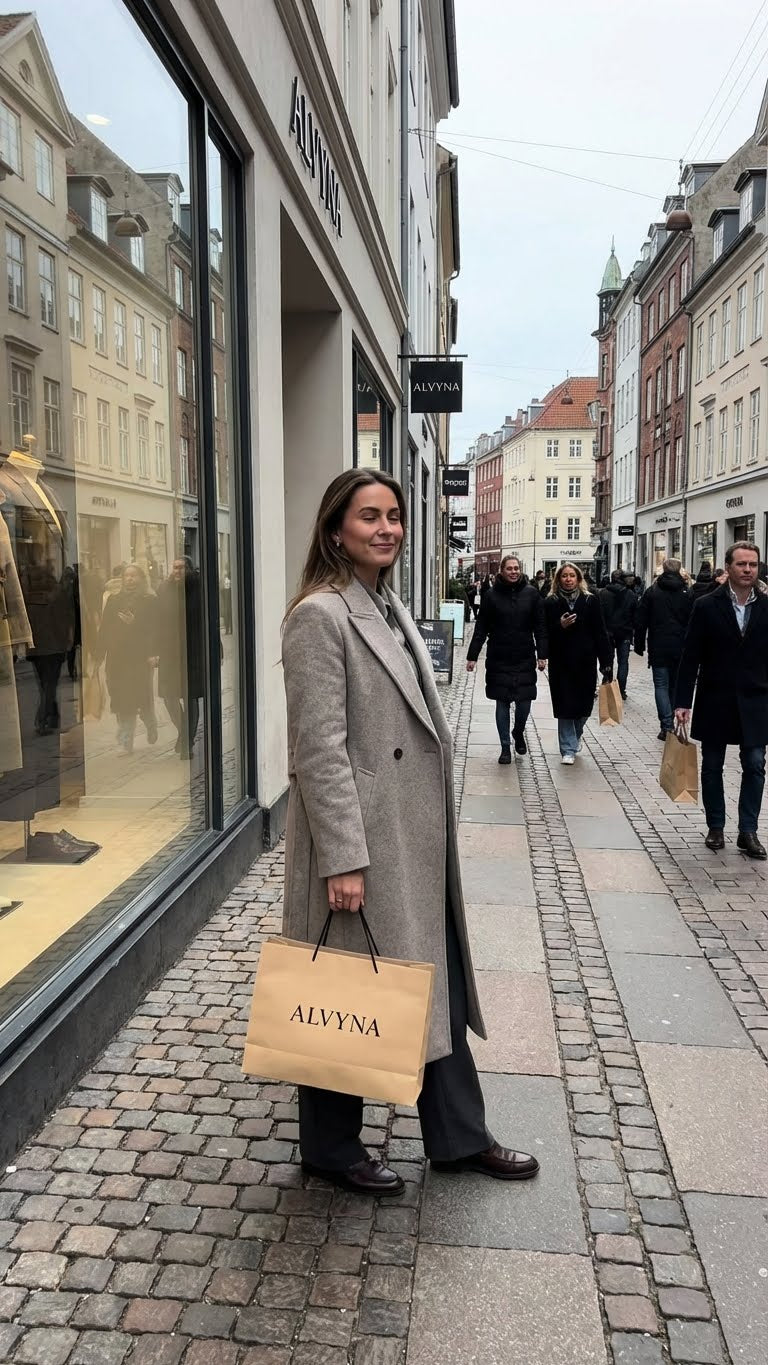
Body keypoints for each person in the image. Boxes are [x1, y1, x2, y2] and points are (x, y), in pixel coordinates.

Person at [281, 468, 540, 1196]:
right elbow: (318, 749)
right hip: (364, 838)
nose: (387, 528)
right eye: (369, 516)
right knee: (343, 985)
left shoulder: (387, 604)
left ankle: (458, 1136)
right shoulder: (321, 615)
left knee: (433, 976)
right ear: (336, 531)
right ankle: (330, 1147)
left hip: (407, 833)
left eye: (394, 515)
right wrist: (342, 857)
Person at [675, 541, 768, 860]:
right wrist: (682, 702)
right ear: (728, 568)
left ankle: (748, 831)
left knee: (755, 764)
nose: (748, 570)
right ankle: (715, 825)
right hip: (716, 696)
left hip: (755, 698)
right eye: (741, 564)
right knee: (712, 764)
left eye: (753, 564)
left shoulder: (766, 606)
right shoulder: (706, 605)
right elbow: (690, 655)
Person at [465, 555, 547, 764]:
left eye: (516, 568)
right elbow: (481, 627)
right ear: (501, 571)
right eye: (509, 568)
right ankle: (505, 747)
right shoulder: (491, 596)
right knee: (501, 701)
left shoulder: (531, 594)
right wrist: (472, 656)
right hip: (499, 656)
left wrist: (542, 654)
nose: (513, 572)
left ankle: (518, 731)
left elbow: (540, 626)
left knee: (524, 702)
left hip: (524, 655)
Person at [544, 563, 612, 764]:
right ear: (558, 579)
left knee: (584, 705)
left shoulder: (591, 600)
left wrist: (606, 662)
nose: (568, 579)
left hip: (585, 661)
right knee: (565, 705)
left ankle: (575, 735)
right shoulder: (551, 602)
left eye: (572, 575)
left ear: (578, 579)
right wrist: (560, 625)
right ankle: (568, 748)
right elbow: (543, 632)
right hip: (561, 661)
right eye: (564, 576)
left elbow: (600, 632)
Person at [95, 564, 158, 755]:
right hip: (117, 658)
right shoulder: (113, 600)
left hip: (139, 657)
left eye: (133, 575)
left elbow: (155, 630)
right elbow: (104, 629)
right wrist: (99, 655)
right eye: (126, 576)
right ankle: (125, 740)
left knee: (139, 698)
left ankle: (149, 723)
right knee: (121, 699)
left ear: (141, 578)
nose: (129, 579)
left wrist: (135, 624)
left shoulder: (149, 600)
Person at [634, 557, 693, 740]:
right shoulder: (687, 592)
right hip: (680, 645)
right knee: (674, 685)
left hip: (658, 644)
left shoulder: (653, 591)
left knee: (661, 685)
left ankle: (666, 725)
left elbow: (641, 619)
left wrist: (639, 644)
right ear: (679, 569)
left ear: (663, 569)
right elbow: (693, 620)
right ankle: (672, 720)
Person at [156, 558, 204, 760]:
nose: (177, 571)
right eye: (175, 567)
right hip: (169, 651)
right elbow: (156, 620)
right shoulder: (164, 589)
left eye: (181, 567)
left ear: (189, 569)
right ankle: (184, 735)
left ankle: (187, 743)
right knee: (169, 696)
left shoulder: (199, 588)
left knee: (190, 696)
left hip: (193, 650)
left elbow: (206, 619)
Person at [598, 570, 638, 700]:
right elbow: (635, 615)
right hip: (624, 632)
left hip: (607, 632)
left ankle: (607, 682)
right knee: (623, 662)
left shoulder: (602, 593)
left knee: (607, 659)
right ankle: (621, 690)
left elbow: (598, 614)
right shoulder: (631, 595)